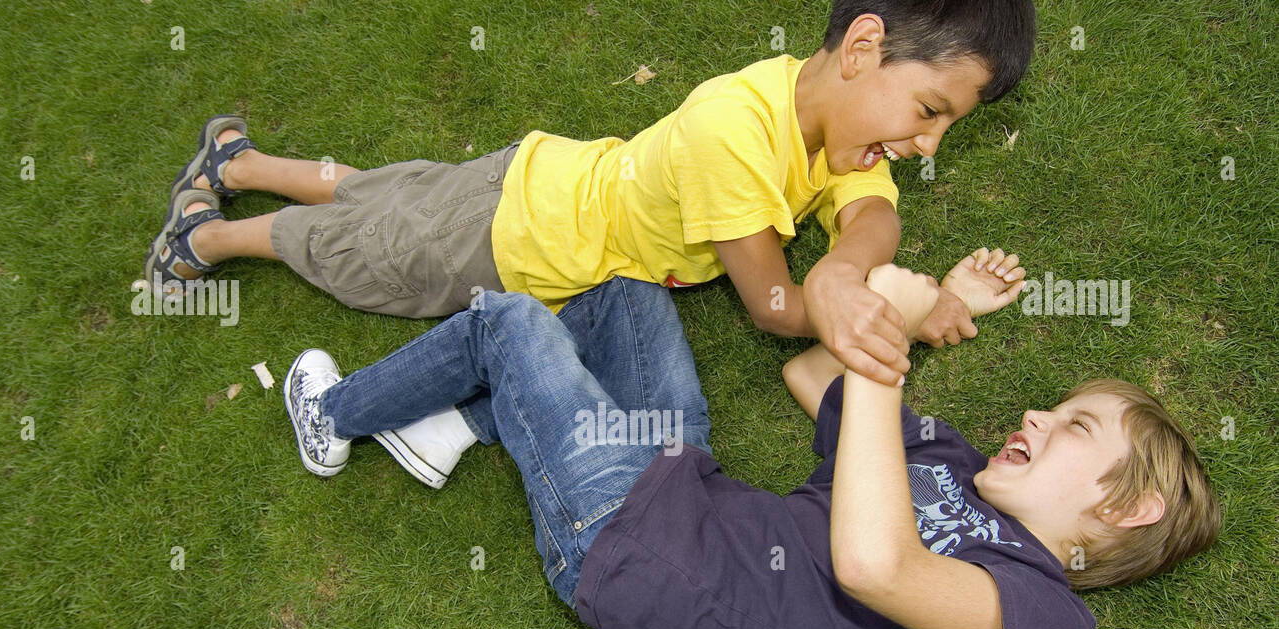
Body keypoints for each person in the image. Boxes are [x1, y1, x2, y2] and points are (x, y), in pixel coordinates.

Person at [149, 0, 1037, 488]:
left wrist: (847, 270)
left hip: (539, 179)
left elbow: (872, 216)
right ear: (864, 48)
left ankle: (241, 157)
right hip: (513, 240)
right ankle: (213, 236)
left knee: (392, 190)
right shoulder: (734, 135)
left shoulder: (831, 120)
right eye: (930, 113)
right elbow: (771, 306)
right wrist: (862, 309)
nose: (927, 147)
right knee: (365, 249)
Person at [279, 253, 1221, 629]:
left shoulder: (1048, 617)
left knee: (510, 323)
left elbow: (873, 565)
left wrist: (887, 350)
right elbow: (813, 376)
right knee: (624, 286)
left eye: (1073, 429)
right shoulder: (951, 463)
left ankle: (332, 420)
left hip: (629, 548)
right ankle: (462, 424)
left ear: (1124, 505)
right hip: (682, 474)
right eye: (1055, 407)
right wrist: (927, 309)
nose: (1035, 417)